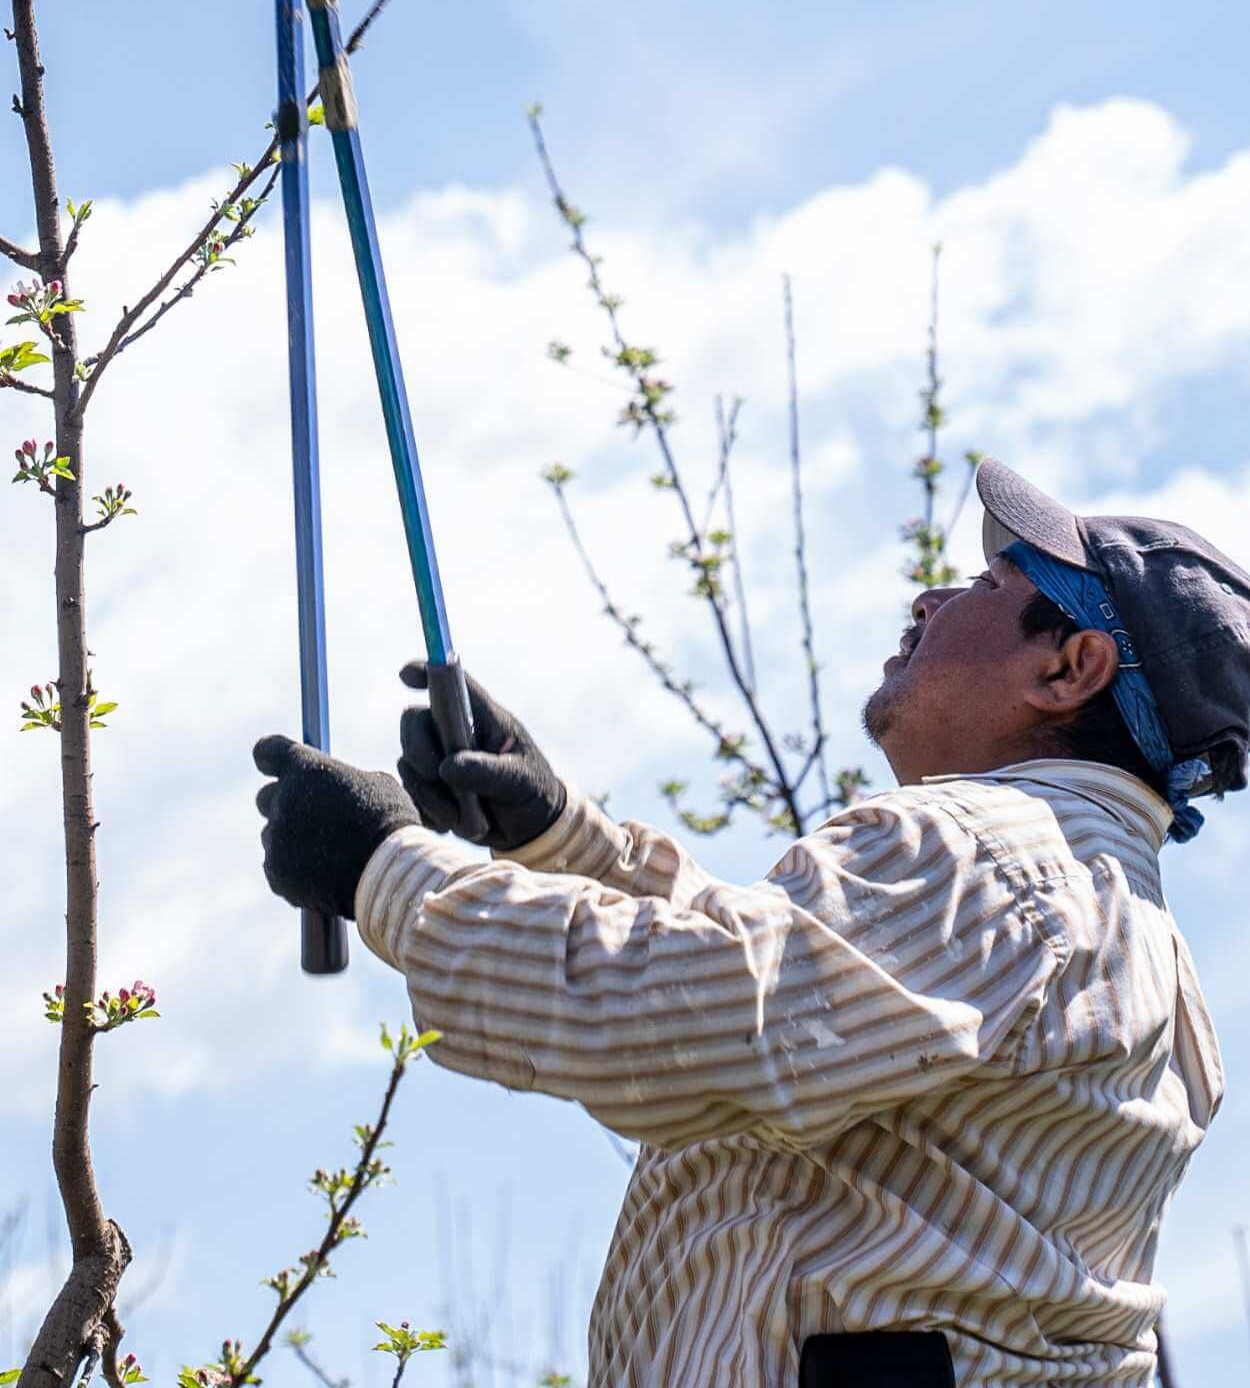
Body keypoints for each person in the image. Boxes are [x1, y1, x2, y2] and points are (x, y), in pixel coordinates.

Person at [254, 457, 1248, 1387]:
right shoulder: (1125, 929)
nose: (929, 600)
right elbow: (813, 1007)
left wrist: (382, 867)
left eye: (985, 588)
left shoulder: (987, 849)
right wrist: (560, 835)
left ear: (1069, 668)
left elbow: (692, 1016)